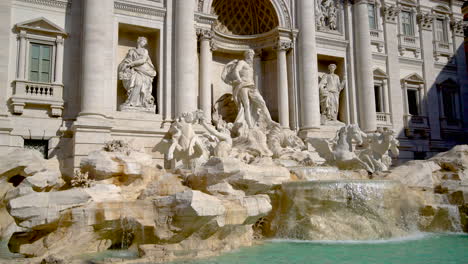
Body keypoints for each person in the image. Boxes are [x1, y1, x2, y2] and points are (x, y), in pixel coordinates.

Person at [222, 49, 272, 129]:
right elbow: (236, 70)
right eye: (250, 55)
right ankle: (250, 126)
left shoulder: (250, 66)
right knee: (246, 105)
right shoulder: (242, 62)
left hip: (251, 86)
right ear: (246, 55)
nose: (251, 57)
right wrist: (238, 79)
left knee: (262, 102)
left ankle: (270, 122)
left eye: (252, 55)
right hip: (243, 85)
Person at [118, 36, 157, 110]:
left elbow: (143, 60)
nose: (145, 43)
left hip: (144, 70)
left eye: (145, 42)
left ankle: (136, 103)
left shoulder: (145, 51)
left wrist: (131, 64)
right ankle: (131, 102)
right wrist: (126, 65)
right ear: (139, 41)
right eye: (144, 41)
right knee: (136, 84)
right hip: (134, 70)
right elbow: (127, 60)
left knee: (139, 84)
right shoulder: (132, 51)